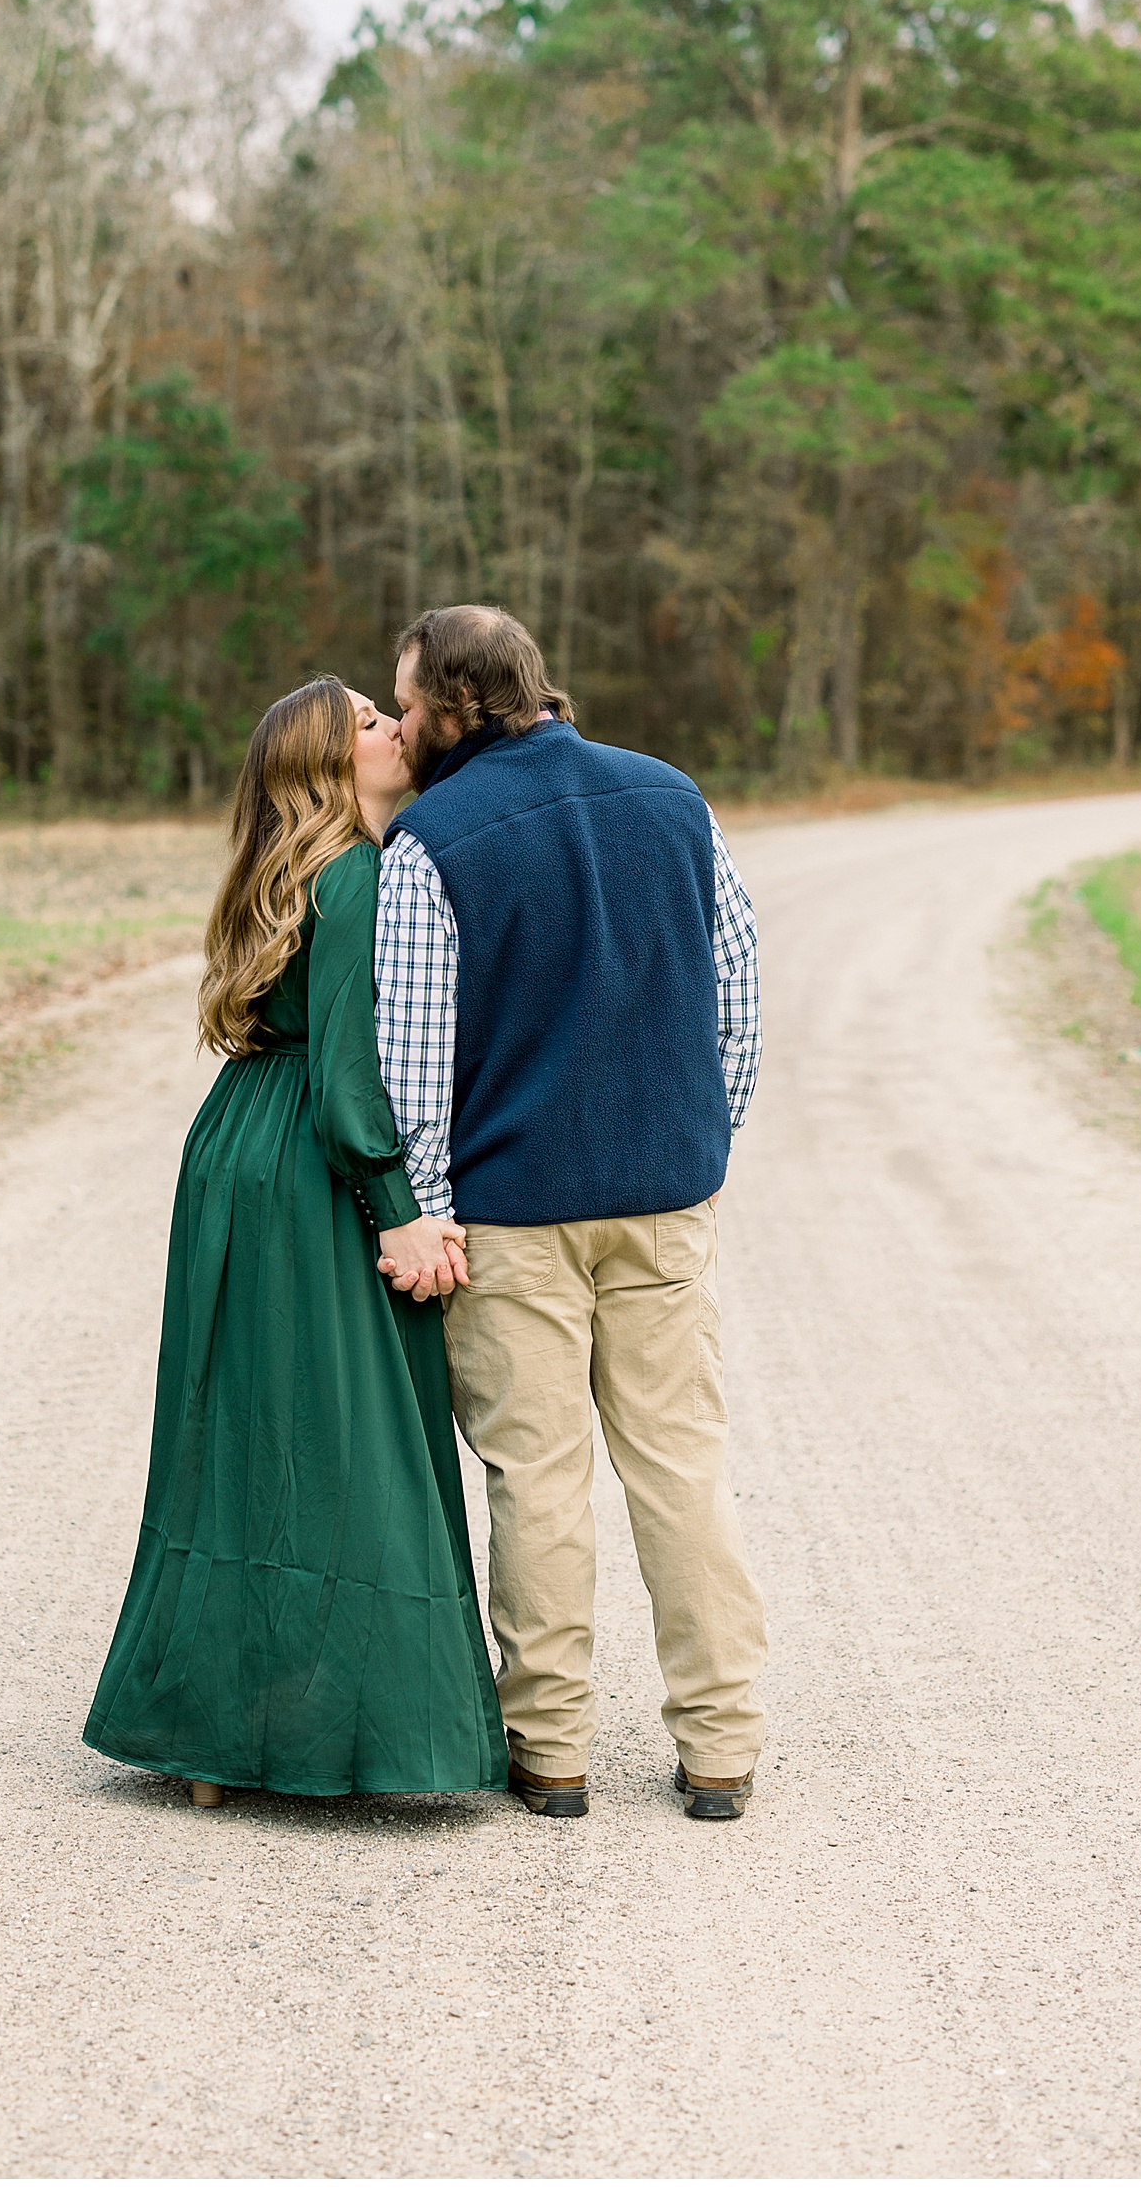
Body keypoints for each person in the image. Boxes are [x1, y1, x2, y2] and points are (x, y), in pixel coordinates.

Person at [374, 604, 769, 1823]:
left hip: (511, 1218)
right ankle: (721, 1744)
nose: (399, 724)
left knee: (535, 1476)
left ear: (452, 707)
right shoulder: (675, 799)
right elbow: (737, 1006)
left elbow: (411, 1062)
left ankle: (549, 1748)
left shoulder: (431, 839)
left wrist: (430, 1206)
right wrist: (695, 1149)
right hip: (663, 1199)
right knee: (681, 1466)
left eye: (405, 702)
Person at [83, 676, 505, 1809]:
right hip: (312, 1167)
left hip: (233, 1146)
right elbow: (348, 1073)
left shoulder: (282, 875)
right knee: (346, 1434)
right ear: (329, 766)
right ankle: (349, 1736)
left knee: (240, 1437)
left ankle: (213, 1736)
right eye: (370, 721)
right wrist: (400, 1205)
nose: (394, 728)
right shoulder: (359, 874)